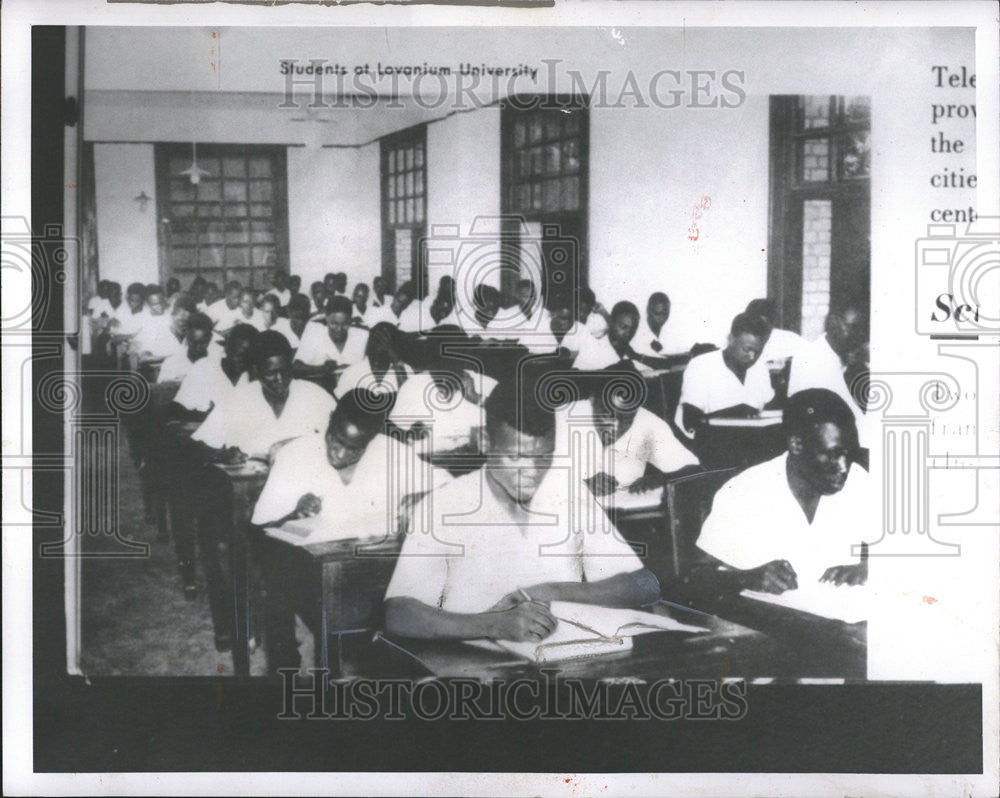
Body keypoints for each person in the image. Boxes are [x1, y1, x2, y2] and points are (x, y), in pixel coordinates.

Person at [383, 376, 660, 642]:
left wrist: (553, 591)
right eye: (514, 457)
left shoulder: (566, 489)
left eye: (543, 457)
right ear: (484, 440)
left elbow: (644, 585)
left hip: (561, 657)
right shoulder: (443, 505)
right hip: (479, 665)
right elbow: (397, 613)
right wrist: (492, 624)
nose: (531, 472)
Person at [257, 390, 448, 671]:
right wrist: (292, 512)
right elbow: (261, 528)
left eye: (354, 448)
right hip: (312, 575)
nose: (339, 453)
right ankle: (290, 668)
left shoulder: (390, 452)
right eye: (336, 439)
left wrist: (422, 497)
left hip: (376, 572)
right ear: (330, 420)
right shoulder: (295, 455)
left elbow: (448, 486)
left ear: (370, 442)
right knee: (284, 587)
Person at [688, 388, 872, 597]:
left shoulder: (857, 482)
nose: (843, 467)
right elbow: (693, 576)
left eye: (849, 454)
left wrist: (871, 566)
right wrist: (746, 578)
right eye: (832, 455)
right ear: (796, 444)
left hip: (837, 619)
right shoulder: (744, 492)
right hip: (765, 623)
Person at [192, 330, 336, 463]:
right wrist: (221, 455)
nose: (279, 379)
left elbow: (346, 440)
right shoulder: (237, 400)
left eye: (284, 371)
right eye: (271, 373)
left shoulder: (316, 396)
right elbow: (196, 445)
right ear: (256, 371)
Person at [571, 362, 700, 498]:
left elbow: (692, 469)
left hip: (623, 513)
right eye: (607, 415)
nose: (616, 426)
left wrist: (662, 478)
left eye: (626, 419)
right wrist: (584, 483)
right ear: (592, 399)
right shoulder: (563, 419)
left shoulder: (648, 423)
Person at [676, 311, 775, 435]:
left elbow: (768, 408)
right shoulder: (701, 366)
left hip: (750, 441)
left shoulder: (759, 368)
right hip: (708, 442)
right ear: (731, 339)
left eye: (758, 352)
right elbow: (690, 421)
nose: (752, 357)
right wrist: (737, 414)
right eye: (746, 349)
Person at [788, 304, 870, 443]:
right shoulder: (809, 357)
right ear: (833, 323)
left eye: (862, 329)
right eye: (853, 327)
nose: (858, 335)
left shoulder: (853, 358)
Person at [169, 323, 257, 420]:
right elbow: (175, 409)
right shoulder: (204, 368)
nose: (238, 360)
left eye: (246, 356)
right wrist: (206, 417)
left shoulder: (255, 377)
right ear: (227, 347)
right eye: (235, 353)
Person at [293, 295, 370, 386]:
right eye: (334, 323)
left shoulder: (362, 335)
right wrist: (321, 368)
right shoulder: (314, 331)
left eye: (345, 324)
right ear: (326, 318)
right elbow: (296, 367)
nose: (339, 329)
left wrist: (352, 370)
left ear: (350, 320)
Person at [333, 322, 412, 400]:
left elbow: (409, 401)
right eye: (376, 341)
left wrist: (396, 362)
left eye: (386, 343)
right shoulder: (352, 372)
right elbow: (339, 404)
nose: (380, 347)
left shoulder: (405, 369)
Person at [573, 301, 642, 371]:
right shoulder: (594, 350)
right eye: (623, 327)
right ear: (611, 322)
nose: (628, 333)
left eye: (633, 329)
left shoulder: (626, 351)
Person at [157, 311, 214, 384]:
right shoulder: (171, 363)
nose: (198, 348)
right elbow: (160, 391)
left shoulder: (217, 362)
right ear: (187, 337)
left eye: (202, 343)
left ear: (210, 339)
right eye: (194, 343)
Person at [632, 292, 673, 359]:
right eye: (657, 314)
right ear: (648, 310)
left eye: (665, 314)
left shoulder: (671, 333)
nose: (661, 319)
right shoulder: (635, 334)